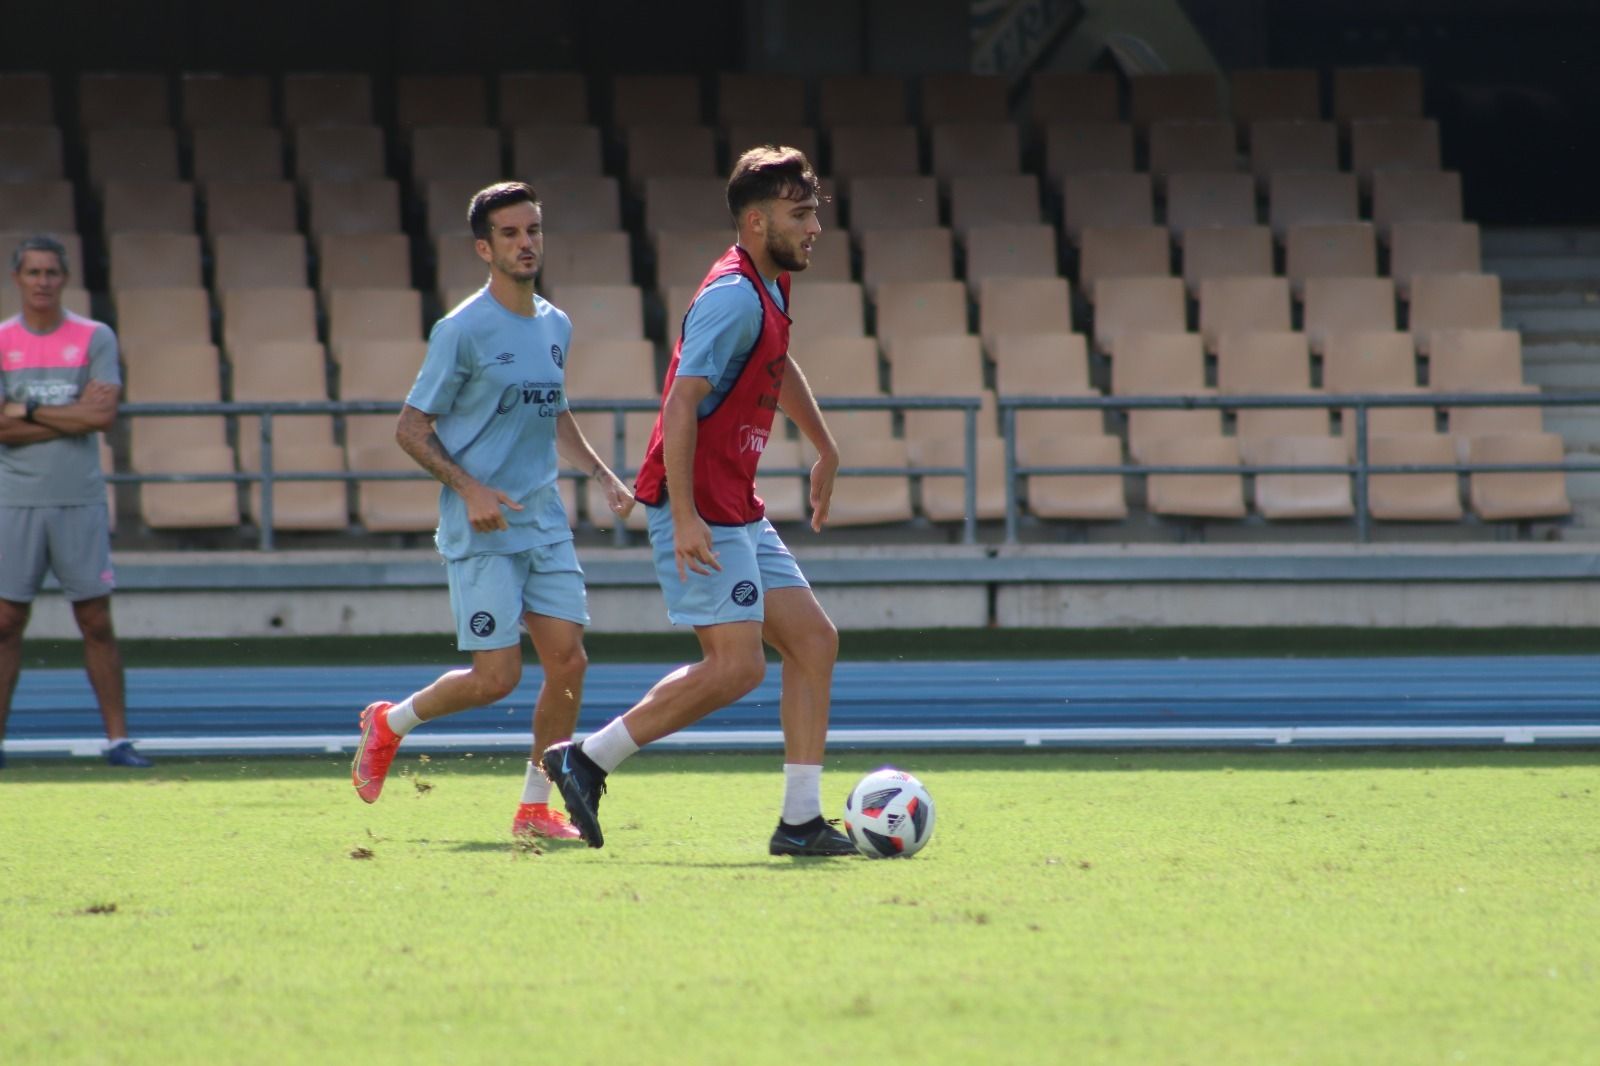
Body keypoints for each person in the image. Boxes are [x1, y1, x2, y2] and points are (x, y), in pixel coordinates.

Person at [542, 146, 853, 856]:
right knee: (737, 665)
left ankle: (800, 823)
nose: (814, 229)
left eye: (814, 214)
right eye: (799, 214)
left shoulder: (770, 288)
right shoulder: (733, 294)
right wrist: (683, 516)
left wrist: (824, 445)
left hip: (733, 501)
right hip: (701, 506)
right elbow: (680, 406)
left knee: (813, 642)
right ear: (754, 221)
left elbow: (777, 362)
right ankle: (585, 760)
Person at [350, 182, 635, 839]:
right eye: (510, 233)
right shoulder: (462, 330)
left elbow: (555, 412)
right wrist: (470, 487)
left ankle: (535, 809)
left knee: (569, 662)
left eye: (533, 229)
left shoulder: (556, 324)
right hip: (481, 525)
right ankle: (388, 724)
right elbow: (411, 428)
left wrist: (602, 474)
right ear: (485, 247)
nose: (526, 242)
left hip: (542, 519)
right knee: (496, 678)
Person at [0, 235, 150, 769]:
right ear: (18, 278)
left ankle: (118, 741)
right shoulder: (2, 340)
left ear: (64, 279)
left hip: (79, 500)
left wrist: (27, 412)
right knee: (6, 622)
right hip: (15, 501)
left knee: (95, 621)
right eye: (33, 272)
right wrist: (63, 414)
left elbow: (99, 418)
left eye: (51, 273)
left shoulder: (94, 337)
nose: (42, 282)